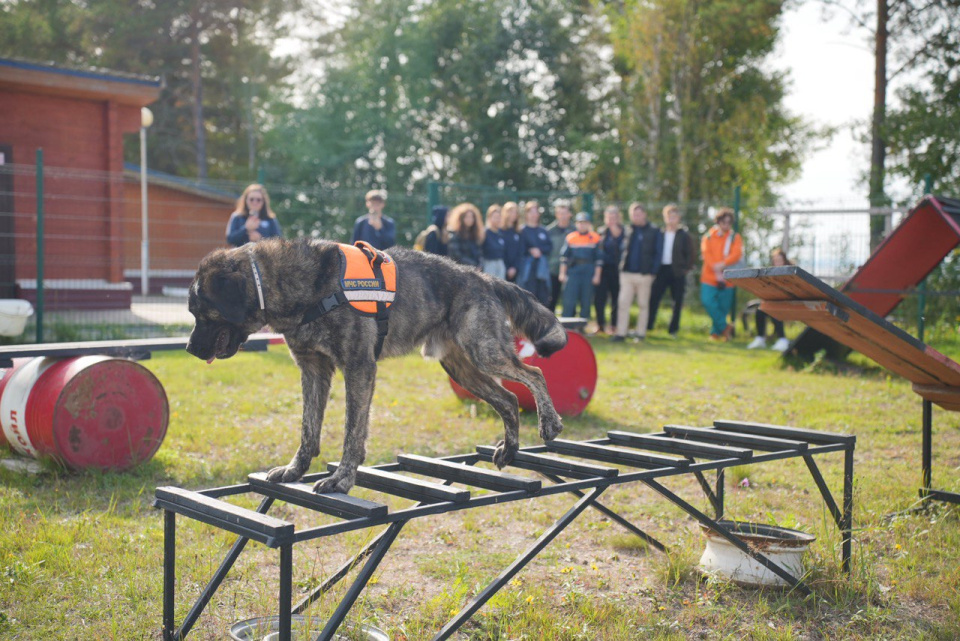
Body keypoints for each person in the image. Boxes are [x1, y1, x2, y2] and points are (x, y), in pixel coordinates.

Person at [614, 203, 662, 342]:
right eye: (634, 215)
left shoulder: (654, 231)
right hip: (627, 274)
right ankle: (621, 333)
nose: (636, 217)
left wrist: (653, 272)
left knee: (643, 304)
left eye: (639, 214)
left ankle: (640, 334)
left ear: (644, 214)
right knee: (623, 303)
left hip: (645, 275)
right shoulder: (627, 230)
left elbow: (658, 253)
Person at [647, 203, 696, 337]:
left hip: (677, 271)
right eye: (669, 216)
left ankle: (673, 330)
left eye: (674, 216)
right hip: (661, 270)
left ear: (678, 218)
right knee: (654, 298)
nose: (671, 219)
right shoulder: (660, 234)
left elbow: (691, 253)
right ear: (665, 218)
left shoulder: (684, 235)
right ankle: (649, 326)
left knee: (677, 301)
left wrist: (686, 268)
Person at [700, 207, 743, 341]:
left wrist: (723, 264)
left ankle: (715, 333)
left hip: (728, 277)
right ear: (718, 222)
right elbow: (706, 253)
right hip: (709, 277)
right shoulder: (708, 236)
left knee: (723, 307)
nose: (726, 225)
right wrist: (715, 266)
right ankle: (725, 327)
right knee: (708, 302)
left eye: (729, 223)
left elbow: (737, 254)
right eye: (724, 222)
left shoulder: (735, 237)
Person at [747, 248, 792, 351]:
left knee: (775, 310)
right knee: (760, 311)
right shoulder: (770, 273)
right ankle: (760, 338)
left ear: (784, 260)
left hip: (787, 304)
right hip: (772, 301)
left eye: (779, 260)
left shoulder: (790, 273)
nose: (777, 262)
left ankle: (782, 339)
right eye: (775, 260)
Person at [559, 213, 602, 319]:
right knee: (569, 299)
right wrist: (562, 273)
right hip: (573, 271)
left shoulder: (595, 238)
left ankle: (582, 325)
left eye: (585, 223)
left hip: (588, 271)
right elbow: (564, 258)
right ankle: (567, 324)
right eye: (580, 223)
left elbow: (599, 260)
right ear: (576, 224)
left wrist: (597, 276)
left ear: (589, 224)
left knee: (586, 300)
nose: (582, 225)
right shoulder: (571, 237)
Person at [594, 205, 624, 334]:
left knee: (616, 299)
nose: (611, 220)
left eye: (614, 217)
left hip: (619, 270)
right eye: (609, 217)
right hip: (603, 270)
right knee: (599, 298)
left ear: (618, 218)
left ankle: (614, 326)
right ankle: (600, 325)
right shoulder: (601, 232)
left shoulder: (625, 232)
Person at [517, 200, 552, 305]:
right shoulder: (522, 230)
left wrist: (540, 250)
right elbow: (520, 249)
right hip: (528, 269)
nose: (533, 214)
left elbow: (549, 247)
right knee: (529, 298)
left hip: (542, 269)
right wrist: (530, 250)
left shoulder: (543, 230)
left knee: (543, 297)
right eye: (530, 212)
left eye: (535, 212)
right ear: (526, 214)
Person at [546, 200, 574, 312]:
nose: (563, 216)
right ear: (556, 214)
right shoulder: (549, 231)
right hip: (552, 270)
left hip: (571, 271)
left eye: (565, 213)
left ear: (570, 214)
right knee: (551, 300)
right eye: (560, 213)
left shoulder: (575, 230)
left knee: (570, 300)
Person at [446, 202, 485, 268]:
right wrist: (473, 265)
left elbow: (480, 253)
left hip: (475, 270)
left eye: (472, 217)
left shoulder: (475, 235)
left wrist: (480, 265)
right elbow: (457, 256)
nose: (470, 219)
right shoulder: (455, 235)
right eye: (467, 217)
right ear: (461, 218)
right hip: (461, 270)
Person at [482, 204, 507, 278]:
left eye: (499, 217)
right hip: (489, 264)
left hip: (500, 264)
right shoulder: (484, 233)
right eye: (495, 217)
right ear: (489, 218)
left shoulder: (501, 233)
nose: (498, 220)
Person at [501, 201, 522, 282]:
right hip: (502, 269)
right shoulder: (499, 231)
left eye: (515, 212)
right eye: (511, 211)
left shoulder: (519, 232)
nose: (513, 214)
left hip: (516, 271)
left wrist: (515, 267)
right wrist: (507, 268)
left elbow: (520, 251)